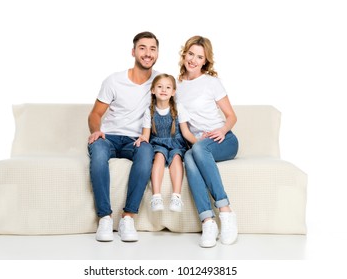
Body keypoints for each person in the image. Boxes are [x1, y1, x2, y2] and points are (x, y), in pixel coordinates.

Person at [87, 31, 159, 242]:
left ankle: (128, 217)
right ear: (133, 51)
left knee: (147, 152)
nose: (147, 53)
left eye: (152, 49)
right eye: (143, 48)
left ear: (157, 54)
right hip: (109, 136)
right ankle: (105, 218)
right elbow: (95, 114)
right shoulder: (114, 81)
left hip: (136, 140)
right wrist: (96, 131)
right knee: (99, 154)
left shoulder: (160, 82)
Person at [176, 35, 239, 248]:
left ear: (205, 61)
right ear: (184, 54)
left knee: (198, 148)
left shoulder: (212, 83)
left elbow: (232, 116)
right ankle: (208, 221)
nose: (193, 60)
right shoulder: (176, 86)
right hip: (198, 143)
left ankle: (226, 211)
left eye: (199, 57)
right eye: (191, 54)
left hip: (224, 140)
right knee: (189, 155)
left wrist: (222, 130)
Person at [134, 74, 196, 212]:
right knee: (159, 157)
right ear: (153, 90)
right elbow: (146, 134)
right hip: (158, 144)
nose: (164, 90)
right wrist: (141, 139)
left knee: (176, 158)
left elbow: (186, 133)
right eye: (160, 87)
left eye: (168, 87)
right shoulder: (149, 111)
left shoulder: (178, 108)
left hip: (177, 144)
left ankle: (176, 197)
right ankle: (156, 197)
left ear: (173, 92)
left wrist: (199, 144)